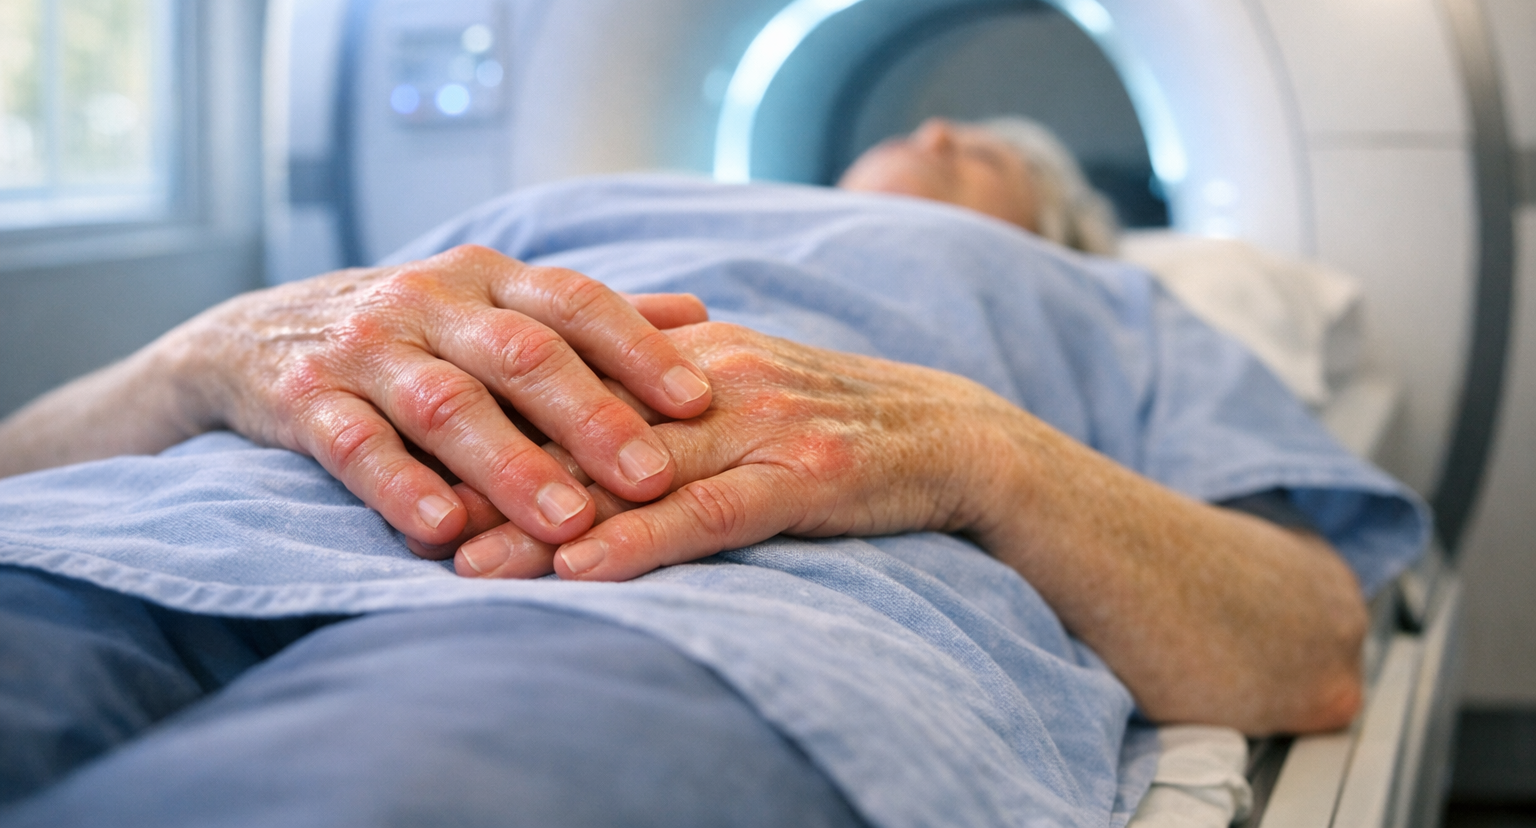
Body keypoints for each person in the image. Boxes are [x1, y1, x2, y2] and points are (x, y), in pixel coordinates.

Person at [0, 119, 1425, 826]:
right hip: (164, 522)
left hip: (704, 614)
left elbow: (1306, 644)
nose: (934, 130)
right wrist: (200, 354)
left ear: (1067, 228)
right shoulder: (559, 207)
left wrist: (974, 445)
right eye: (922, 125)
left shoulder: (1108, 306)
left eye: (986, 147)